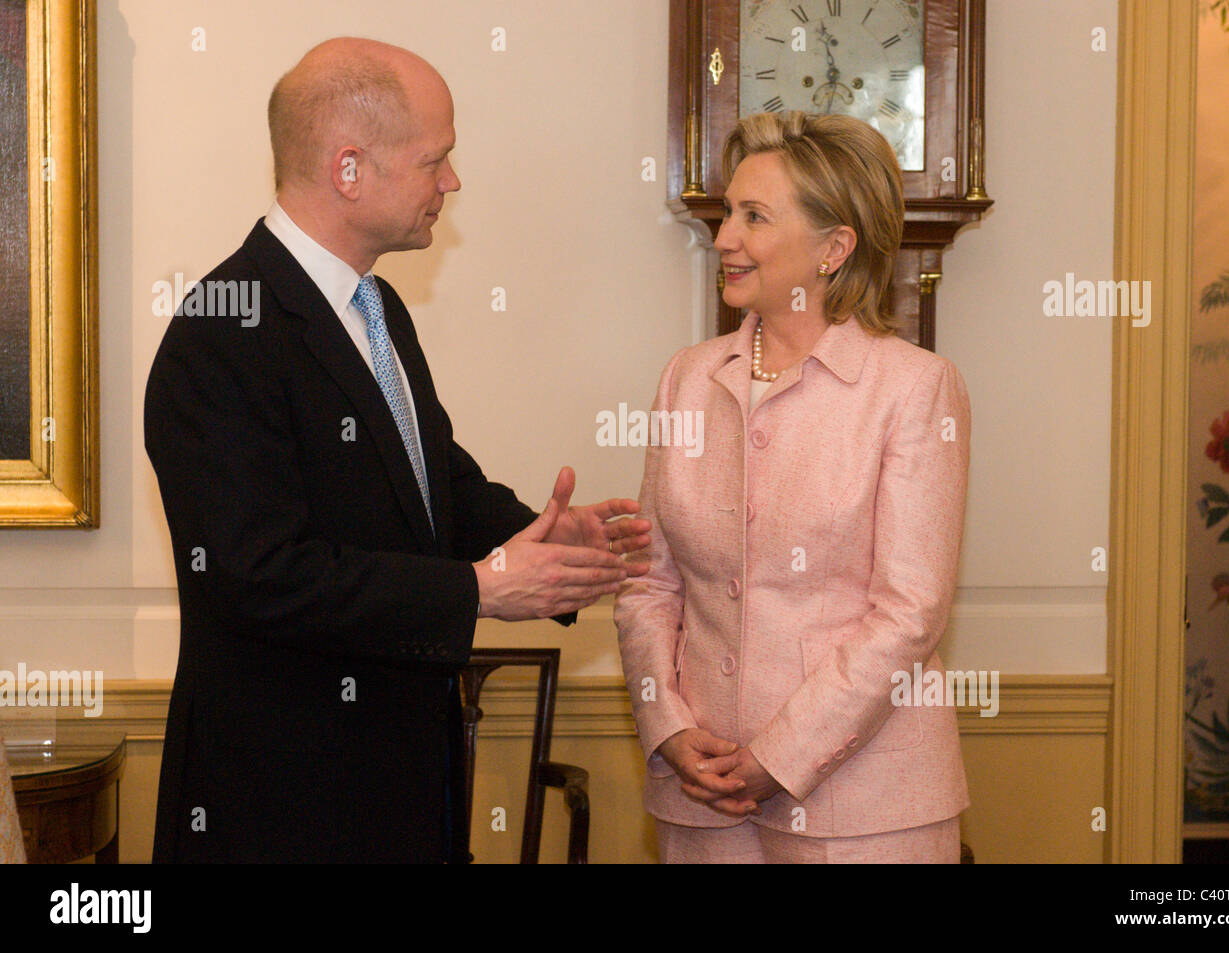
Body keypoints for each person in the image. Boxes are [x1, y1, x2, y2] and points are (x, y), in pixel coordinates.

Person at [143, 38, 650, 863]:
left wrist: (543, 539)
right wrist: (479, 590)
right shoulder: (220, 331)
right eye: (435, 159)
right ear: (350, 170)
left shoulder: (375, 308)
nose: (452, 182)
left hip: (401, 787)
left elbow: (427, 481)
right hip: (282, 806)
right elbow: (258, 573)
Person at [615, 110, 971, 863]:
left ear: (834, 247)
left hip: (866, 813)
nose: (723, 239)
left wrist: (779, 755)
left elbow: (910, 612)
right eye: (726, 213)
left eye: (754, 217)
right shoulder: (686, 377)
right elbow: (649, 585)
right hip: (700, 799)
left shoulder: (915, 388)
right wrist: (669, 727)